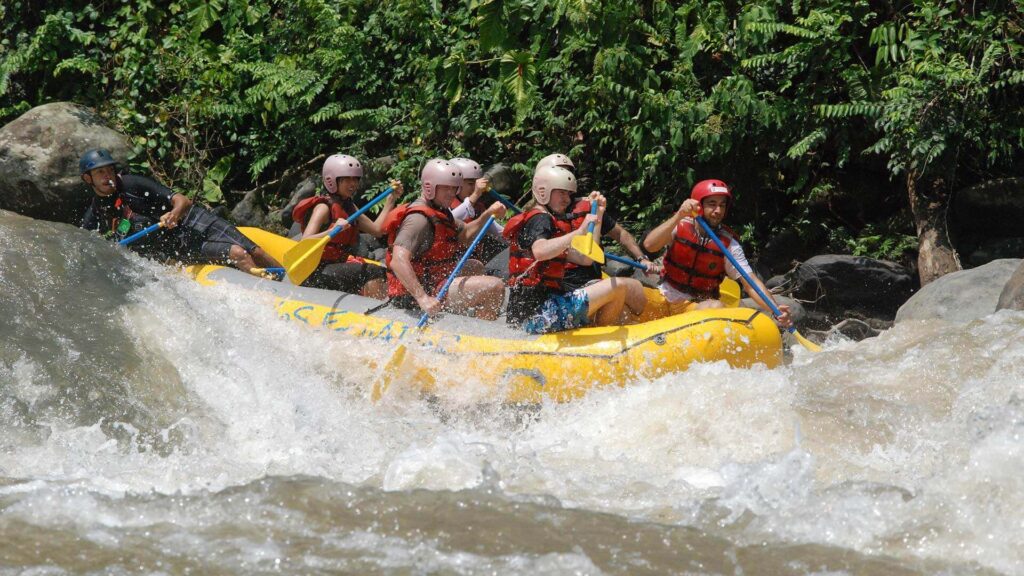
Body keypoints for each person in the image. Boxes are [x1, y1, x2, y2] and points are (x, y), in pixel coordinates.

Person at [78, 149, 280, 273]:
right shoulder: (98, 209)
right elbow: (82, 239)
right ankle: (269, 291)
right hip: (181, 244)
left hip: (193, 220)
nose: (108, 176)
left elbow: (183, 200)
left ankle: (287, 278)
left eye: (110, 170)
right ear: (88, 178)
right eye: (100, 172)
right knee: (238, 253)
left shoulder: (133, 183)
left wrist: (173, 214)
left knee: (255, 251)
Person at [503, 166, 647, 333]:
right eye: (561, 193)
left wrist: (598, 216)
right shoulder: (540, 219)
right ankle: (599, 336)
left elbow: (586, 259)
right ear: (543, 192)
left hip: (543, 308)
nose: (567, 199)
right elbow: (540, 251)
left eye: (568, 194)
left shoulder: (550, 223)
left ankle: (598, 332)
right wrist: (578, 232)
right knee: (618, 286)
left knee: (618, 292)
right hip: (536, 316)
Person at [642, 179, 792, 326]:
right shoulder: (679, 224)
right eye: (712, 204)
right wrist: (679, 215)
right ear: (698, 206)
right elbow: (650, 245)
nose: (718, 211)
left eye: (722, 205)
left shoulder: (729, 245)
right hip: (663, 295)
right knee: (628, 286)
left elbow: (751, 284)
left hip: (695, 307)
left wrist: (775, 309)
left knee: (716, 307)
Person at [383, 158, 508, 320]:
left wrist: (488, 214)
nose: (451, 193)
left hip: (432, 280)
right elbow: (398, 261)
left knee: (474, 265)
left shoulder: (441, 211)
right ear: (429, 187)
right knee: (495, 287)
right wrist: (422, 298)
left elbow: (466, 234)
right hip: (414, 294)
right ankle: (481, 329)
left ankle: (469, 318)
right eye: (446, 188)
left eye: (454, 188)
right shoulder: (418, 219)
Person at [291, 154, 401, 297]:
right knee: (374, 271)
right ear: (331, 181)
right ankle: (375, 307)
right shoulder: (323, 208)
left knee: (378, 269)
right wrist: (332, 230)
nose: (353, 184)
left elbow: (377, 230)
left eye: (355, 179)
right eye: (347, 179)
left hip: (335, 265)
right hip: (315, 271)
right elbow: (305, 241)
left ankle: (371, 304)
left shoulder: (350, 207)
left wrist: (391, 200)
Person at [448, 157, 508, 266]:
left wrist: (519, 236)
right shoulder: (444, 206)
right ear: (455, 185)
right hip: (450, 263)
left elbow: (500, 233)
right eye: (471, 184)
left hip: (472, 264)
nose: (475, 188)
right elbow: (449, 221)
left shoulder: (477, 208)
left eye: (476, 184)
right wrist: (475, 195)